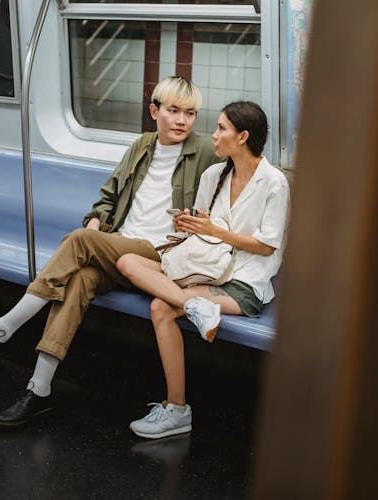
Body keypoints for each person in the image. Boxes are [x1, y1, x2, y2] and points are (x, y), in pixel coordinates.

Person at [0, 76, 221, 429]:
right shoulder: (140, 147)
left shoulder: (205, 153)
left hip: (159, 258)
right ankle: (38, 389)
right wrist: (95, 223)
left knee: (77, 241)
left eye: (191, 113)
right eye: (173, 111)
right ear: (154, 111)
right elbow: (106, 199)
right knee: (79, 278)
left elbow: (233, 188)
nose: (183, 120)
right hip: (120, 248)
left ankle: (2, 330)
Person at [116, 101, 290, 439]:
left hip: (243, 281)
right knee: (126, 262)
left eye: (222, 128)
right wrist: (188, 225)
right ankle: (195, 305)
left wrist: (215, 232)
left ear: (242, 137)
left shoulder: (274, 183)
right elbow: (201, 235)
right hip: (204, 269)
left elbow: (267, 246)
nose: (214, 134)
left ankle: (177, 409)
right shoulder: (214, 175)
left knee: (161, 307)